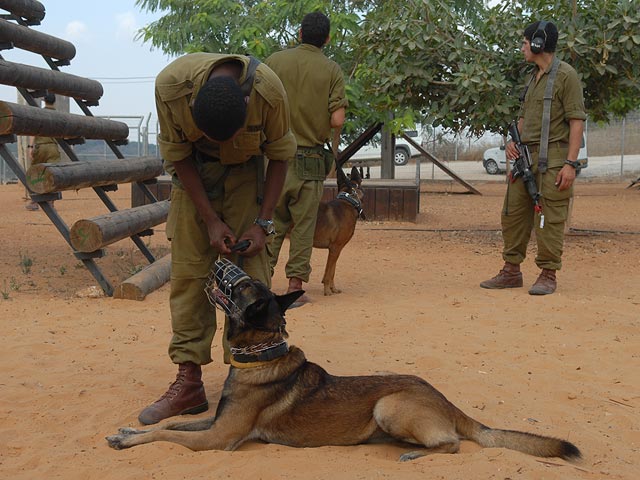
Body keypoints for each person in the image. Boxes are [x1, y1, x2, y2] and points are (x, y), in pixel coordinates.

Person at [138, 53, 296, 425]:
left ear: (247, 105)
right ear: (193, 107)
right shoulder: (170, 87)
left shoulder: (269, 94)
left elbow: (279, 157)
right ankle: (189, 383)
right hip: (192, 179)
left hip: (247, 179)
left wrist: (262, 223)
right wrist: (209, 219)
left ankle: (245, 384)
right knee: (191, 277)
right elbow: (178, 155)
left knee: (249, 278)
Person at [480, 20, 586, 295]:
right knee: (512, 213)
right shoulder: (533, 78)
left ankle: (548, 274)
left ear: (539, 44)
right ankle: (511, 271)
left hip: (553, 160)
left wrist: (570, 164)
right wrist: (512, 144)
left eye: (525, 42)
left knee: (549, 218)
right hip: (525, 159)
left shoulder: (566, 76)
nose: (523, 47)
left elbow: (577, 121)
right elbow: (525, 118)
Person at [265, 11, 348, 305]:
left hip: (274, 159)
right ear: (327, 39)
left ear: (299, 34)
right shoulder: (332, 70)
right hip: (310, 161)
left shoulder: (274, 62)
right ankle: (294, 287)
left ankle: (260, 281)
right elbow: (337, 119)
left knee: (271, 221)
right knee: (303, 226)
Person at [26, 92, 61, 210]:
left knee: (35, 173)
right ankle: (51, 202)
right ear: (54, 101)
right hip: (53, 147)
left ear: (44, 101)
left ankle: (34, 202)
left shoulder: (39, 114)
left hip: (40, 147)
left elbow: (33, 132)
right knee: (53, 174)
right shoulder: (59, 116)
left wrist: (30, 147)